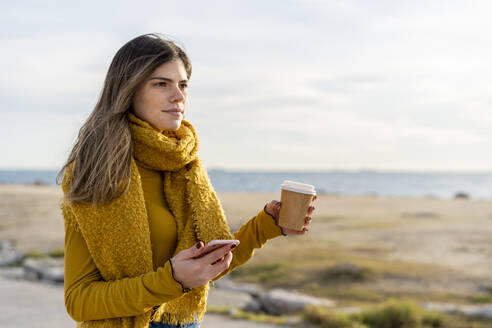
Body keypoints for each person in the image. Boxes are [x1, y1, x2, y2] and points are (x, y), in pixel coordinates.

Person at [58, 33, 315, 328]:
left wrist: (267, 226)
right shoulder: (94, 169)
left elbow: (204, 268)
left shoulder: (185, 164)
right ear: (128, 90)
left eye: (182, 85)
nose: (178, 96)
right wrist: (172, 280)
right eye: (161, 84)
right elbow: (78, 301)